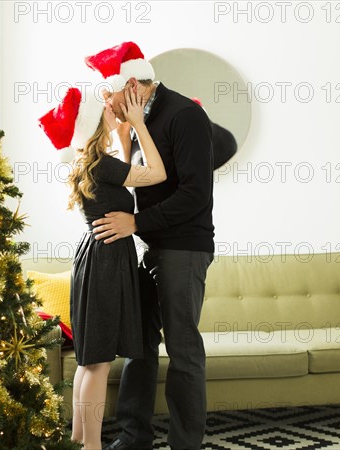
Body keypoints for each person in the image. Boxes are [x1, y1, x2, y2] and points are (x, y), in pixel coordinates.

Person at [84, 42, 220, 450]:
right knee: (139, 345)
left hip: (183, 249)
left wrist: (137, 222)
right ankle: (133, 438)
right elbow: (138, 177)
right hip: (150, 246)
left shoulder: (185, 116)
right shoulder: (138, 118)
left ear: (131, 85)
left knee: (183, 350)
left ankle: (185, 444)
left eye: (109, 94)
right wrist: (124, 132)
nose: (106, 101)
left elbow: (196, 193)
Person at [38, 85, 167, 450]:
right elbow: (155, 173)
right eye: (108, 109)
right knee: (97, 363)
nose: (114, 109)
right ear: (96, 121)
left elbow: (125, 174)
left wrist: (124, 137)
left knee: (87, 360)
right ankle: (92, 447)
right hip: (107, 259)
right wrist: (140, 125)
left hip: (95, 256)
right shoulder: (102, 165)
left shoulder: (89, 162)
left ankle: (80, 441)